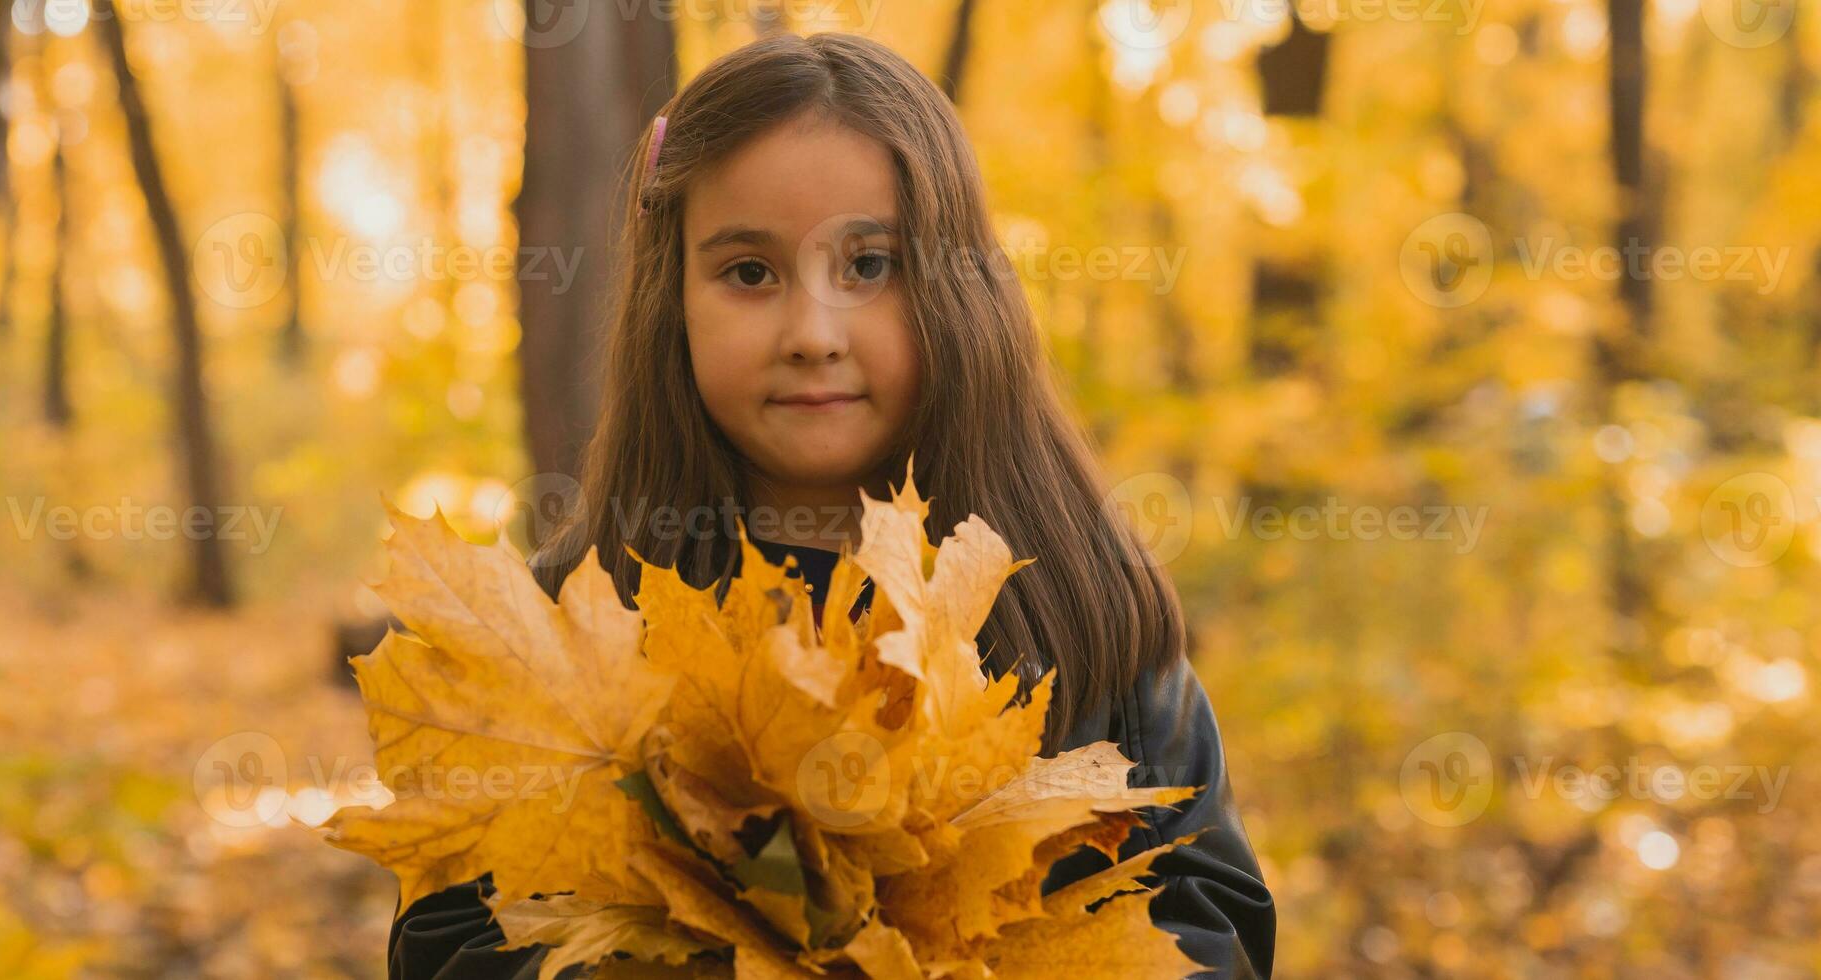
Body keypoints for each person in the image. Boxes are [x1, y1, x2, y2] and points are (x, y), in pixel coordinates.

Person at [389, 31, 1274, 979]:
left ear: (956, 289)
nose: (813, 333)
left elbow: (1207, 922)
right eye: (749, 274)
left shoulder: (1080, 613)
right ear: (671, 299)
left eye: (869, 267)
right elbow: (449, 941)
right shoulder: (568, 626)